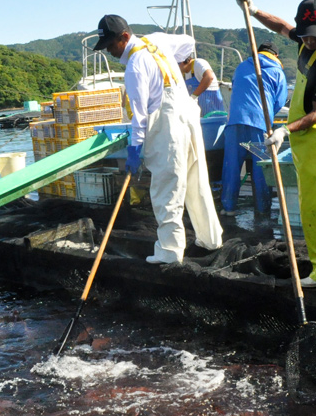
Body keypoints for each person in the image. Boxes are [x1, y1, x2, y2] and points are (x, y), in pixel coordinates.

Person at [237, 0, 316, 287]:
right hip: (309, 141)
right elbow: (280, 26)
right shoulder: (305, 38)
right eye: (304, 35)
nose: (308, 41)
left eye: (313, 36)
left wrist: (284, 130)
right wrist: (254, 11)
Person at [93, 15, 222, 264]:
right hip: (188, 113)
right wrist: (174, 61)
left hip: (168, 124)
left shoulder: (134, 66)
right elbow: (188, 41)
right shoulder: (156, 40)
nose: (109, 51)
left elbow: (139, 116)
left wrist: (134, 149)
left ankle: (169, 252)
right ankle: (210, 240)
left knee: (167, 187)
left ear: (125, 37)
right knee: (197, 180)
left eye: (111, 45)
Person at [220, 42, 288, 217]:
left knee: (232, 167)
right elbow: (280, 101)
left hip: (234, 122)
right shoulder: (277, 71)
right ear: (276, 56)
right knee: (261, 169)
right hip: (259, 123)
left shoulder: (242, 66)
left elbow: (236, 88)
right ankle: (263, 210)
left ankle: (228, 208)